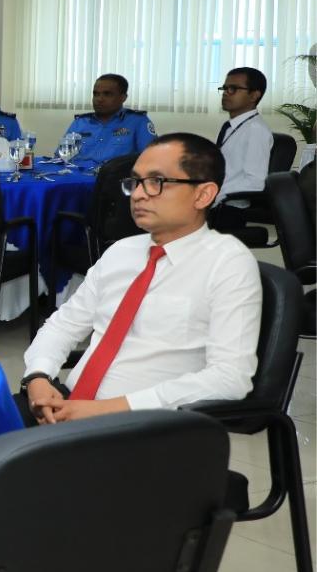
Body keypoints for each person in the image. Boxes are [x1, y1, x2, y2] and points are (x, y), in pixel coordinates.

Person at [18, 133, 259, 427]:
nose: (138, 194)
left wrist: (106, 410)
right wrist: (39, 377)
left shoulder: (227, 263)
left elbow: (231, 378)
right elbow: (64, 325)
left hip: (146, 424)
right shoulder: (122, 251)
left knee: (1, 454)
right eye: (135, 182)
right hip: (68, 405)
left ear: (203, 194)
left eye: (156, 182)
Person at [63, 74, 156, 166]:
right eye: (96, 94)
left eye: (107, 94)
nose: (99, 99)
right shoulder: (80, 123)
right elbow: (62, 158)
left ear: (123, 97)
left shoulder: (138, 122)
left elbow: (151, 159)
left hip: (116, 174)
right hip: (78, 174)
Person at [214, 66, 274, 206]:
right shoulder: (231, 126)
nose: (225, 93)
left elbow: (255, 182)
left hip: (229, 208)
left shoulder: (256, 130)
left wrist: (214, 194)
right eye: (225, 88)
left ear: (254, 95)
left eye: (233, 89)